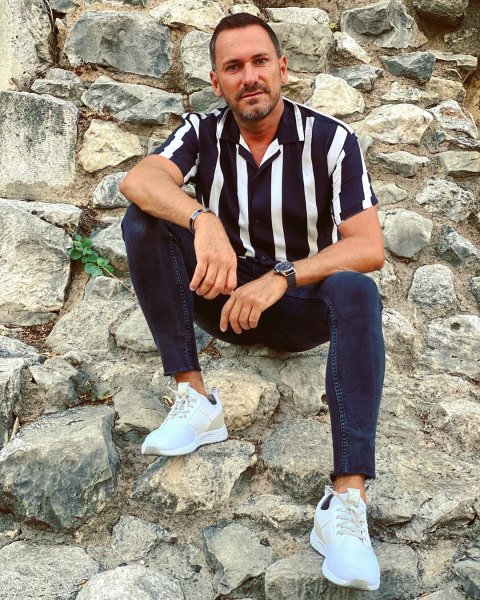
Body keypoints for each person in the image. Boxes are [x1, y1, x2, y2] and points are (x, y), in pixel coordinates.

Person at [120, 13, 385, 592]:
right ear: (217, 81)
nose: (250, 77)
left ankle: (345, 503)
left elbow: (369, 247)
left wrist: (283, 277)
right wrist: (203, 219)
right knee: (144, 221)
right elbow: (139, 180)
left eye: (260, 62)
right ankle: (194, 398)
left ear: (282, 68)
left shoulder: (332, 141)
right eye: (234, 67)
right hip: (221, 299)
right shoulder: (202, 131)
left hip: (297, 308)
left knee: (356, 289)